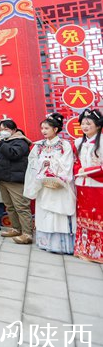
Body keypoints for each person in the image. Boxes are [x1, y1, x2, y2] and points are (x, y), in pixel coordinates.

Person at [24, 113, 75, 254]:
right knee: (44, 212)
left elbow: (67, 163)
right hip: (44, 185)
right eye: (42, 128)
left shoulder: (64, 145)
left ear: (56, 129)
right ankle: (44, 242)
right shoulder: (39, 145)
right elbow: (32, 161)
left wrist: (52, 166)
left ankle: (61, 245)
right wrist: (42, 165)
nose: (43, 131)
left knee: (58, 213)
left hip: (59, 185)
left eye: (47, 128)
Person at [0, 120, 33, 244]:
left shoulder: (21, 141)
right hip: (3, 178)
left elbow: (13, 154)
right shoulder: (4, 142)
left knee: (21, 207)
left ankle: (27, 233)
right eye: (2, 129)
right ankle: (16, 228)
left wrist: (0, 143)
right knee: (10, 207)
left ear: (14, 130)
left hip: (15, 180)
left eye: (6, 129)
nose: (3, 131)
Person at [74, 108, 103, 263]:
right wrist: (80, 170)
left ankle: (98, 252)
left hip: (98, 185)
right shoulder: (79, 142)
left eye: (88, 123)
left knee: (99, 217)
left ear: (98, 125)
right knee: (84, 217)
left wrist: (87, 171)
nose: (84, 127)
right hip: (82, 184)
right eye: (82, 124)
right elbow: (76, 163)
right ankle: (84, 249)